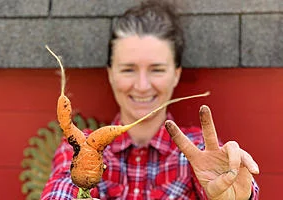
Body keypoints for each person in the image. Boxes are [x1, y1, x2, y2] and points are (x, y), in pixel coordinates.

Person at [41, 0, 259, 199]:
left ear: (176, 74)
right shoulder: (77, 147)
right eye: (128, 69)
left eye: (156, 70)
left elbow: (225, 183)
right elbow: (60, 189)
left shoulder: (199, 149)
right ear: (111, 74)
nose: (142, 86)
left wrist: (235, 196)